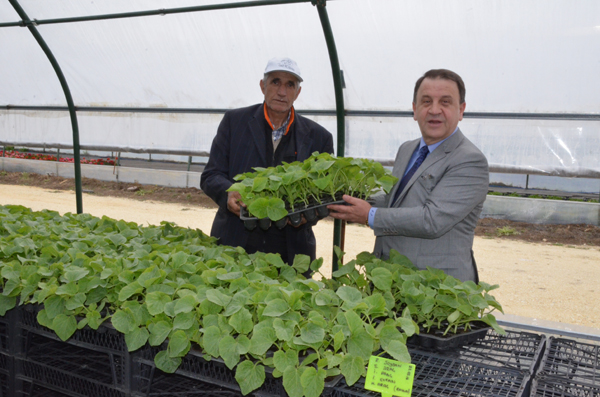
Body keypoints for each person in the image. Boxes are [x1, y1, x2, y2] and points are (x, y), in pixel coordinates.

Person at [327, 69, 488, 282]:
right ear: (414, 109)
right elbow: (397, 200)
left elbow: (432, 220)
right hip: (394, 279)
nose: (434, 110)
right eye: (426, 101)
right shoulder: (407, 149)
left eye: (445, 102)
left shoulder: (469, 159)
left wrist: (369, 215)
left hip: (437, 287)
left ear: (461, 110)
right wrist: (349, 199)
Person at [200, 57, 334, 263]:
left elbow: (325, 194)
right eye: (275, 82)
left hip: (290, 251)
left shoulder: (319, 137)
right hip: (235, 242)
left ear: (298, 93)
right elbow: (211, 175)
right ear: (263, 86)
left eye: (290, 85)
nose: (282, 92)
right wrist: (228, 193)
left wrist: (310, 215)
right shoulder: (234, 122)